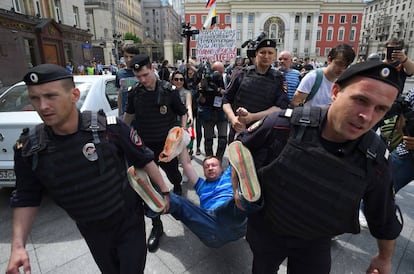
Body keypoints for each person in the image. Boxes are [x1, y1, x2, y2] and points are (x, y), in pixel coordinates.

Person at [236, 61, 403, 273]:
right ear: (335, 91)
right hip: (267, 232)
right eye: (360, 100)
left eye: (380, 109)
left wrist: (384, 258)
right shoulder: (283, 124)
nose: (367, 117)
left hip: (314, 243)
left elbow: (384, 215)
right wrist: (237, 189)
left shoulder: (374, 157)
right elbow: (240, 148)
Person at [6, 64, 171, 274]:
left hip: (127, 221)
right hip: (91, 229)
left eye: (50, 96)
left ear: (74, 95)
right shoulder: (29, 148)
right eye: (35, 98)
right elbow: (25, 197)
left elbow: (143, 158)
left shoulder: (109, 128)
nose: (43, 106)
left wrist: (164, 191)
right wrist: (18, 245)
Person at [152, 127, 261, 247]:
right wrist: (181, 143)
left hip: (234, 219)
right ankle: (153, 198)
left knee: (237, 199)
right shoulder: (201, 186)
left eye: (214, 165)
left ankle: (250, 195)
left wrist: (240, 133)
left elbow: (236, 153)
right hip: (210, 228)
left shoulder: (228, 175)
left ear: (222, 169)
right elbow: (187, 164)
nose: (210, 168)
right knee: (178, 202)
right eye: (206, 167)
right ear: (203, 172)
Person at [123, 54, 187, 252]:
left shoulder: (169, 90)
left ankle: (177, 187)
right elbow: (129, 115)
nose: (142, 80)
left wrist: (182, 132)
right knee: (149, 188)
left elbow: (182, 112)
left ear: (152, 68)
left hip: (166, 146)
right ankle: (157, 226)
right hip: (144, 148)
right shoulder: (134, 93)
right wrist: (121, 133)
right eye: (138, 76)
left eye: (144, 74)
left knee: (173, 175)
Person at [222, 39, 289, 143]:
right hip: (239, 130)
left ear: (274, 56)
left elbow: (280, 107)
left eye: (270, 53)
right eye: (262, 52)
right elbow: (226, 100)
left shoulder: (278, 78)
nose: (266, 56)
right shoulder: (242, 74)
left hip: (264, 132)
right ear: (256, 54)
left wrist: (252, 117)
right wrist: (232, 119)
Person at [291, 43, 355, 107]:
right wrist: (321, 111)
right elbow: (295, 102)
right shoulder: (313, 77)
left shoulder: (345, 82)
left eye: (346, 66)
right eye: (339, 64)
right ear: (329, 60)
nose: (342, 69)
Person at [198, 61, 229, 160]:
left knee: (223, 139)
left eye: (220, 71)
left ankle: (218, 160)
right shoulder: (205, 81)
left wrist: (222, 91)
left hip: (222, 112)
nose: (218, 74)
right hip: (208, 112)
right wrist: (202, 93)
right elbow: (200, 100)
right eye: (216, 71)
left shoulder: (226, 79)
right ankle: (210, 159)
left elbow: (231, 94)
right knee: (208, 140)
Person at [115, 45, 140, 118]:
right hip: (125, 115)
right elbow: (120, 94)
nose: (128, 59)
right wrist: (119, 114)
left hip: (140, 115)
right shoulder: (120, 73)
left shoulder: (143, 73)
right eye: (126, 56)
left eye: (131, 57)